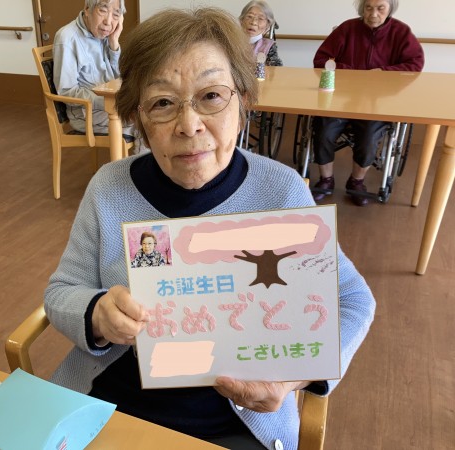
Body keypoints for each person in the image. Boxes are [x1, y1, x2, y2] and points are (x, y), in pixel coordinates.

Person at [45, 7, 375, 450]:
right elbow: (62, 291)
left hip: (234, 423)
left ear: (243, 101)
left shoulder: (280, 191)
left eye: (212, 96)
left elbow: (353, 300)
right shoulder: (109, 187)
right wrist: (97, 314)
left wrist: (294, 377)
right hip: (107, 404)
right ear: (138, 118)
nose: (189, 125)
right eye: (163, 103)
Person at [311, 0, 424, 206]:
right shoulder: (347, 28)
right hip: (341, 98)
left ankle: (356, 181)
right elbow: (321, 60)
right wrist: (352, 73)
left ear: (389, 9)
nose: (373, 14)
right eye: (368, 8)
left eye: (380, 8)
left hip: (378, 102)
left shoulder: (401, 32)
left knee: (370, 136)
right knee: (324, 128)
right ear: (362, 9)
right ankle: (326, 179)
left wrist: (382, 73)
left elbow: (415, 64)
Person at [52, 0, 133, 137]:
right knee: (147, 123)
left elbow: (120, 77)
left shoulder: (105, 35)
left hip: (111, 104)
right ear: (87, 9)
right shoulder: (67, 38)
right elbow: (66, 92)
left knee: (154, 114)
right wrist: (108, 103)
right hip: (86, 114)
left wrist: (114, 42)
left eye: (115, 14)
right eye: (103, 10)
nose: (108, 22)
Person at [239, 0, 283, 67]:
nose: (253, 22)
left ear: (267, 25)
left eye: (260, 19)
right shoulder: (231, 42)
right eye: (249, 16)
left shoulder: (268, 46)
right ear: (241, 20)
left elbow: (276, 69)